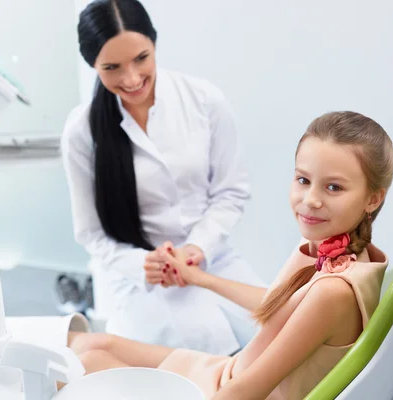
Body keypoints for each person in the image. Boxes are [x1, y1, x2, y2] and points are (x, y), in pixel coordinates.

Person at [63, 111, 393, 399]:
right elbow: (277, 307)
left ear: (373, 199)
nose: (311, 199)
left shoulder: (333, 291)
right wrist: (199, 278)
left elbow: (249, 390)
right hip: (225, 373)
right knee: (92, 344)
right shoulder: (345, 256)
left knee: (86, 362)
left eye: (333, 187)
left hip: (227, 390)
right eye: (303, 180)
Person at [60, 0, 265, 355]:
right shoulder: (81, 131)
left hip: (214, 260)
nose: (131, 78)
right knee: (187, 370)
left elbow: (230, 192)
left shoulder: (204, 100)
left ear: (154, 44)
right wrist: (144, 265)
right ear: (93, 65)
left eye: (141, 58)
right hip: (139, 281)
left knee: (278, 338)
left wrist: (196, 248)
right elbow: (92, 233)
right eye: (111, 67)